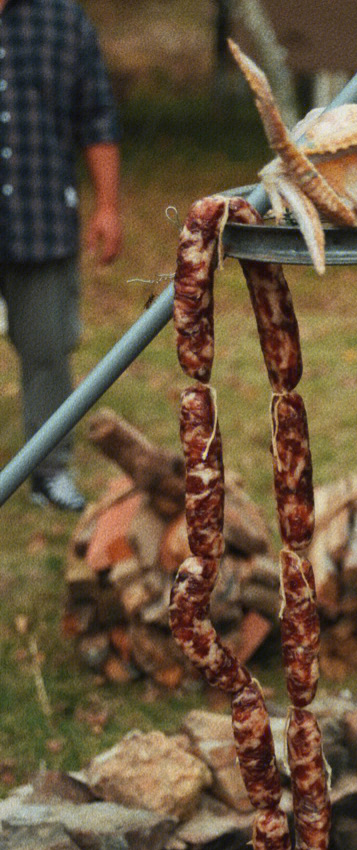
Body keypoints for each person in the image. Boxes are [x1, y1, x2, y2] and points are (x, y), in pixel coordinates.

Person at [0, 0, 122, 511]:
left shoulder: (64, 21)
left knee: (48, 350)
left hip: (40, 218)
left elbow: (96, 118)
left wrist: (109, 207)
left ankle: (49, 473)